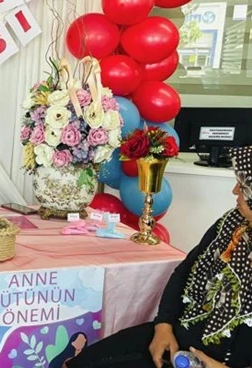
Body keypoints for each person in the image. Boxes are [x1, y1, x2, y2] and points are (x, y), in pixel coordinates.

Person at [66, 145, 252, 368]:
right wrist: (163, 324)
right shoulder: (231, 223)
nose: (235, 191)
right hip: (176, 337)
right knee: (78, 364)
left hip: (220, 362)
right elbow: (184, 271)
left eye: (243, 187)